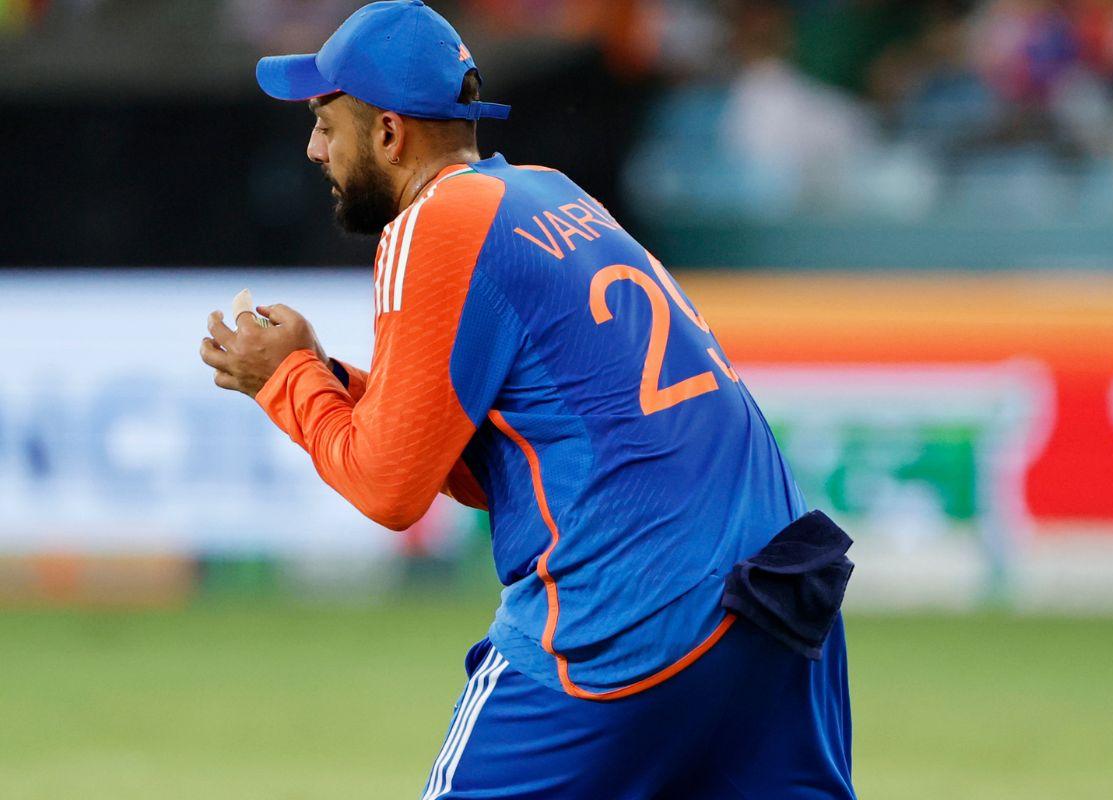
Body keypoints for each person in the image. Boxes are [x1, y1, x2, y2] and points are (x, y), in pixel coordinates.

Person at [199, 2, 856, 797]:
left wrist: (283, 379)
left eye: (324, 122)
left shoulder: (433, 224)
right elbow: (509, 458)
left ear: (388, 134)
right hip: (777, 600)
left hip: (629, 612)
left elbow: (389, 487)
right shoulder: (550, 196)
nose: (312, 148)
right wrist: (328, 377)